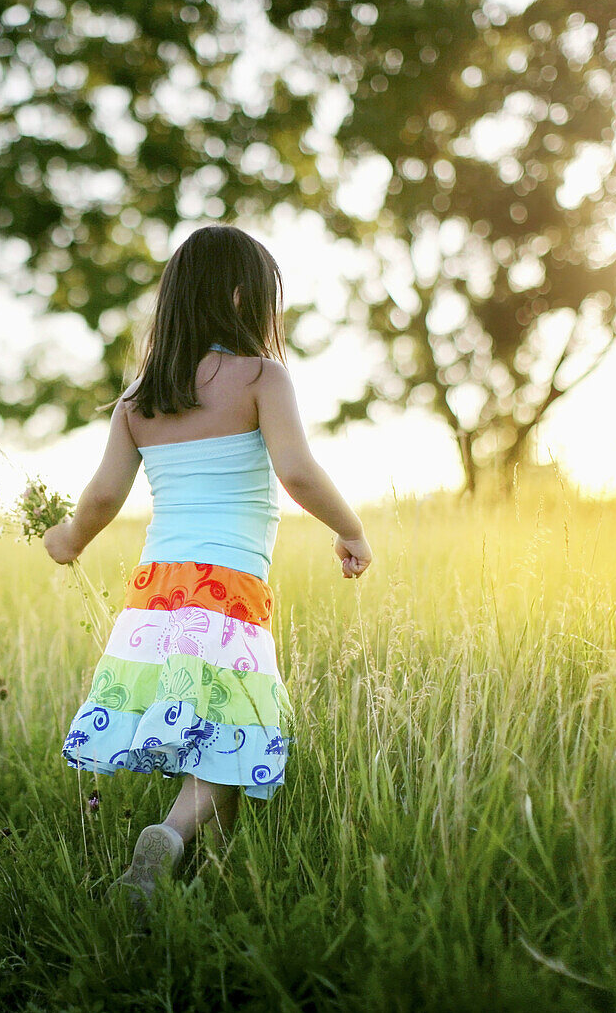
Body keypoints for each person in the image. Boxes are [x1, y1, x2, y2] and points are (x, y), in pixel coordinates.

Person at [43, 224, 373, 916]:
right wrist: (350, 529)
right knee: (231, 734)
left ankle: (201, 884)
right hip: (228, 589)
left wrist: (70, 538)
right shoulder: (260, 377)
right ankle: (169, 833)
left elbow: (104, 495)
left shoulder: (139, 399)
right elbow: (297, 471)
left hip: (156, 594)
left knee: (211, 734)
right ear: (238, 296)